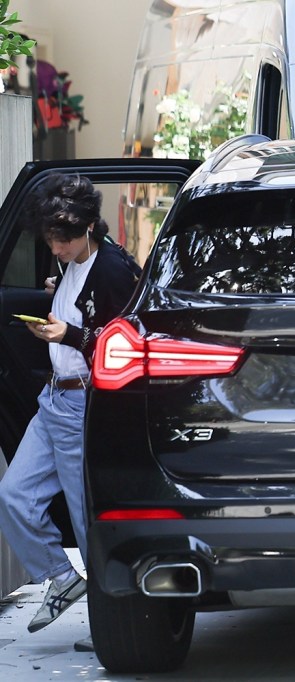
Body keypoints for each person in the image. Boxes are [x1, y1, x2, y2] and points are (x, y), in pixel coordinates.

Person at [0, 173, 140, 646]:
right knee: (14, 496)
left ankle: (114, 629)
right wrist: (54, 307)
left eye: (61, 240)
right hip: (53, 399)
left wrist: (70, 335)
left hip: (83, 402)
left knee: (88, 521)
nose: (55, 249)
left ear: (87, 228)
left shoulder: (113, 270)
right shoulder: (71, 266)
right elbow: (82, 315)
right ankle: (62, 578)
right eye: (50, 240)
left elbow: (124, 343)